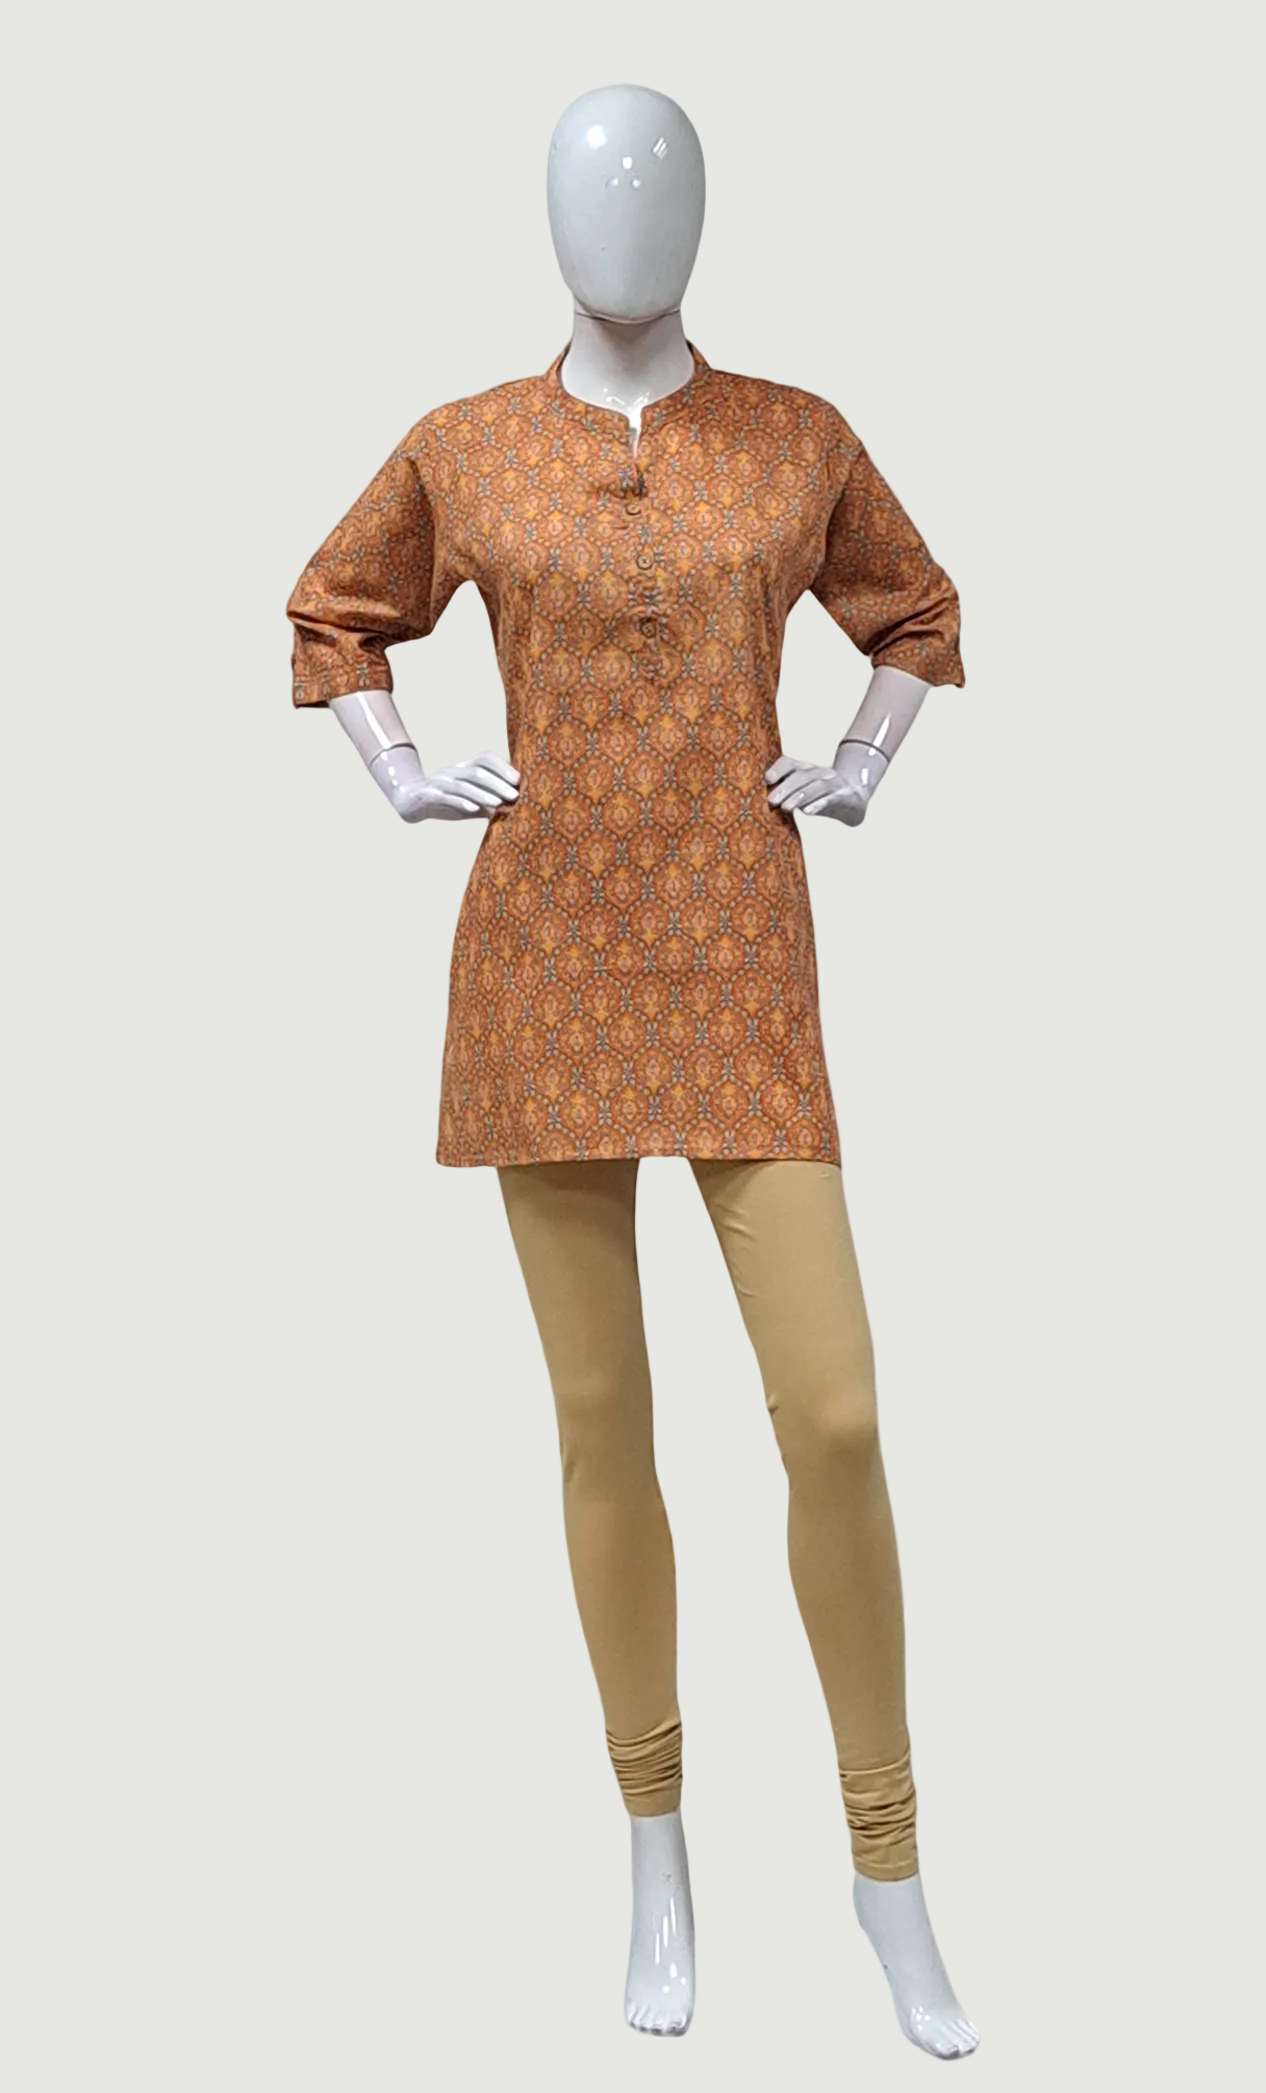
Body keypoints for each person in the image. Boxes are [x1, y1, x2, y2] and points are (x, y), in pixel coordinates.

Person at [286, 81, 978, 2060]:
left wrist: (862, 762)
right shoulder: (466, 444)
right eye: (594, 188)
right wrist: (397, 770)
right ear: (547, 218)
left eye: (657, 185)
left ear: (701, 212)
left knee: (833, 1413)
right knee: (604, 1418)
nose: (626, 219)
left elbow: (916, 611)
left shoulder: (795, 435)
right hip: (547, 960)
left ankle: (887, 1868)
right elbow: (335, 612)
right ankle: (655, 1854)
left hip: (739, 955)